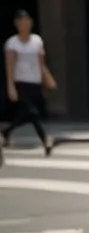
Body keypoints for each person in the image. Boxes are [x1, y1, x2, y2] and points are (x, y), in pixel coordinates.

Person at [3, 10, 55, 155]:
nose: (25, 25)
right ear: (17, 25)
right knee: (33, 113)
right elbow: (10, 66)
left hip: (35, 81)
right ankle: (45, 139)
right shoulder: (12, 43)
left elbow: (41, 62)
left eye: (27, 22)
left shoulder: (37, 40)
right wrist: (11, 86)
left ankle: (7, 131)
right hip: (21, 82)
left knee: (26, 114)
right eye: (21, 23)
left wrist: (47, 78)